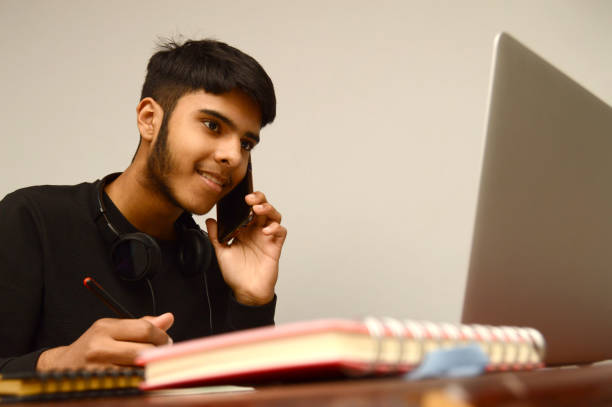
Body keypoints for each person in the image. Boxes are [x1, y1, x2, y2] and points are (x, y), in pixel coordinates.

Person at [0, 39, 287, 372]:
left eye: (246, 143)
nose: (233, 156)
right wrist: (53, 363)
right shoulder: (31, 220)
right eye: (212, 125)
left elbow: (249, 394)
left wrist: (252, 299)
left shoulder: (215, 259)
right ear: (149, 118)